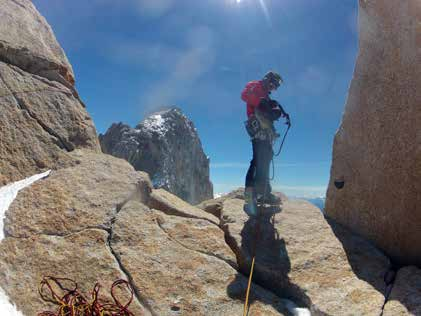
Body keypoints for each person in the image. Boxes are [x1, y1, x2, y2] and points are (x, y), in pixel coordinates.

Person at [241, 71, 290, 216]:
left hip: (264, 131)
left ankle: (263, 193)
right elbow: (244, 95)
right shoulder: (255, 86)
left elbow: (267, 109)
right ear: (268, 80)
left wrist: (280, 111)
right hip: (259, 130)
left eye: (276, 86)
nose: (274, 88)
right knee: (258, 162)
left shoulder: (265, 95)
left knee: (264, 161)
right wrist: (262, 102)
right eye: (274, 84)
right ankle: (256, 194)